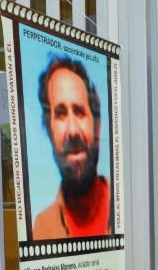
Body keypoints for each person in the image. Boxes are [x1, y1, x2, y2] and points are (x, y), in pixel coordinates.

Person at [32, 54, 110, 239]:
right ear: (48, 130)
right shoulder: (42, 229)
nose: (73, 130)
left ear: (97, 126)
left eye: (80, 111)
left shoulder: (128, 206)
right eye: (60, 114)